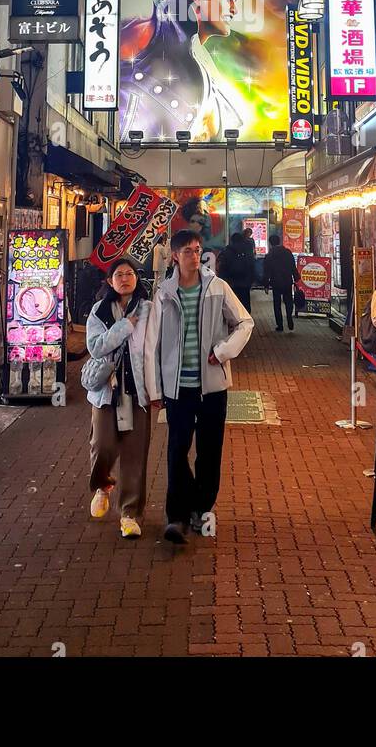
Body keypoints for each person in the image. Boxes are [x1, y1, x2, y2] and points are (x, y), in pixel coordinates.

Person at [150, 229, 254, 544]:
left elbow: (245, 323)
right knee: (177, 451)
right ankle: (176, 517)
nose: (194, 257)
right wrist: (155, 389)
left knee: (210, 452)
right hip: (178, 388)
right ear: (174, 256)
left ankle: (201, 508)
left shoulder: (217, 288)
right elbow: (152, 344)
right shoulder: (163, 293)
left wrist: (223, 351)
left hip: (212, 387)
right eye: (187, 251)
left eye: (197, 250)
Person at [119, 0, 244, 141]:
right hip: (116, 158)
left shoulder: (207, 69)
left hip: (172, 165)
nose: (234, 10)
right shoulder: (149, 21)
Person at [85, 258, 159, 539]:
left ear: (137, 279)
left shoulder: (149, 310)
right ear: (110, 281)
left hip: (137, 392)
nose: (125, 278)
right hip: (106, 391)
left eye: (130, 274)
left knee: (134, 454)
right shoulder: (99, 311)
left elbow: (154, 349)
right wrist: (125, 327)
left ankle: (130, 514)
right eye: (119, 274)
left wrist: (157, 391)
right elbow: (95, 347)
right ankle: (103, 485)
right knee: (102, 444)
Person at [263, 232, 301, 333]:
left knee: (277, 304)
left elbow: (266, 271)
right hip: (287, 280)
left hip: (275, 282)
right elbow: (293, 266)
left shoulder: (269, 255)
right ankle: (289, 316)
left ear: (270, 243)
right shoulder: (287, 252)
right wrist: (296, 277)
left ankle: (280, 325)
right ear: (279, 242)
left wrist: (266, 285)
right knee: (288, 300)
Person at [216, 230, 254, 312]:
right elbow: (251, 265)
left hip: (231, 283)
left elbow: (222, 268)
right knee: (245, 302)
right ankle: (246, 320)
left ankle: (234, 320)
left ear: (231, 240)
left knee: (231, 304)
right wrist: (251, 280)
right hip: (245, 282)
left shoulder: (226, 251)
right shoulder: (247, 250)